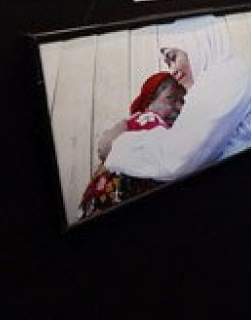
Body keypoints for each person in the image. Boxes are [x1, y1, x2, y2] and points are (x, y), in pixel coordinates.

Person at [100, 15, 251, 181]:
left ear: (197, 44)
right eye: (169, 64)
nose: (173, 70)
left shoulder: (227, 74)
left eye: (173, 58)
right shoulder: (208, 83)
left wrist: (116, 145)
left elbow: (178, 157)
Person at [79, 72, 187, 220]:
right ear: (149, 102)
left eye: (182, 101)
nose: (178, 107)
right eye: (171, 99)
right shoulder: (146, 119)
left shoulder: (166, 127)